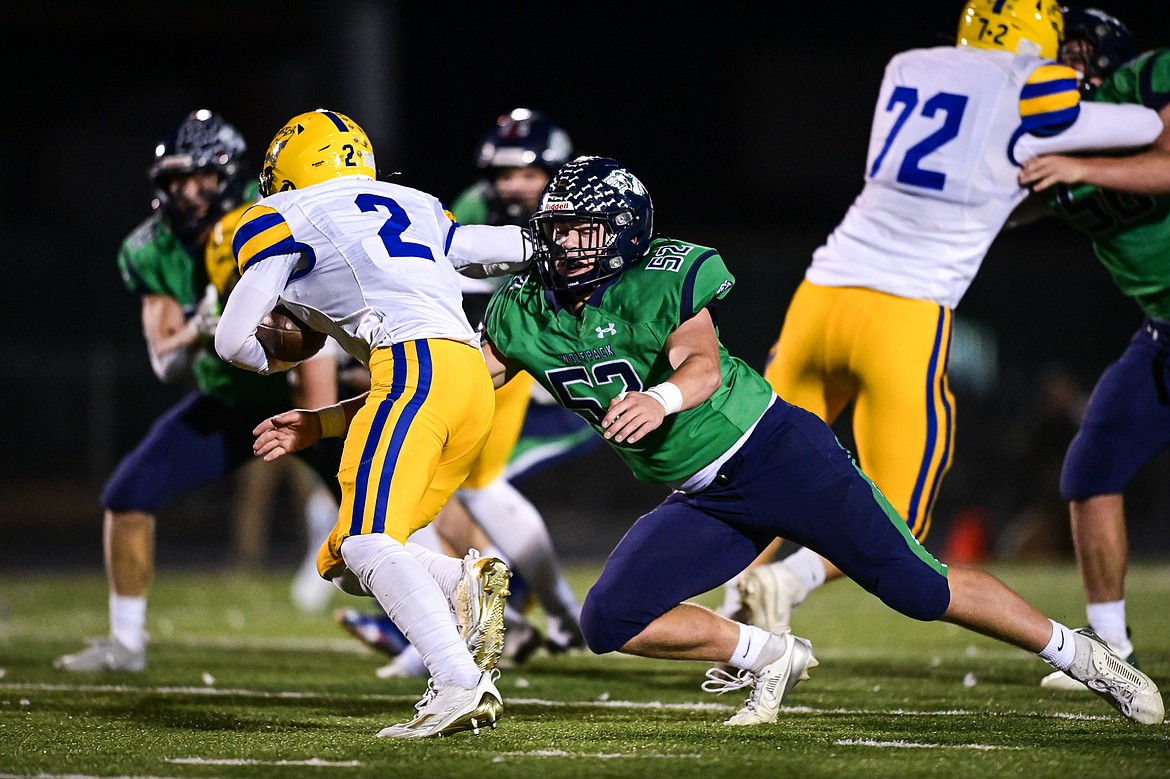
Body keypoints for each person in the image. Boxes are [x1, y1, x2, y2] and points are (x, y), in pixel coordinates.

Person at [253, 154, 1164, 727]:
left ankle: (1084, 654)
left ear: (625, 233)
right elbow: (439, 386)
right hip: (701, 495)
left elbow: (699, 359)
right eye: (557, 229)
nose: (564, 244)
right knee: (609, 622)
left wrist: (656, 397)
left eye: (580, 229)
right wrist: (320, 422)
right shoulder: (526, 308)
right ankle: (768, 654)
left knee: (918, 588)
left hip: (775, 452)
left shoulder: (662, 273)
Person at [723, 0, 1166, 634]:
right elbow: (1143, 128)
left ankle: (708, 615)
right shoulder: (1032, 87)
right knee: (897, 518)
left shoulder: (910, 65)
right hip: (901, 316)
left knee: (751, 467)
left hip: (820, 296)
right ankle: (787, 580)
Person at [215, 108, 534, 739]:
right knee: (354, 555)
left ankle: (460, 684)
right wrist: (553, 246)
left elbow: (231, 341)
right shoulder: (413, 201)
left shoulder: (282, 216)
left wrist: (275, 351)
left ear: (290, 171)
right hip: (469, 378)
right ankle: (464, 580)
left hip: (412, 368)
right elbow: (479, 247)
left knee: (366, 545)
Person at [53, 109, 345, 673]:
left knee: (387, 513)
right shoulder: (150, 248)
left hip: (300, 398)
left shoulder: (266, 224)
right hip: (229, 403)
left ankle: (444, 631)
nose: (189, 193)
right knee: (128, 494)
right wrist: (198, 326)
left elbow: (319, 330)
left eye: (201, 179)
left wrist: (321, 418)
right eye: (177, 181)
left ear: (229, 176)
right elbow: (165, 364)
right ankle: (127, 643)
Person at [335, 109, 589, 675]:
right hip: (463, 348)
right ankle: (532, 615)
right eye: (504, 174)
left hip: (519, 347)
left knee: (473, 484)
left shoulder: (570, 216)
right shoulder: (472, 207)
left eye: (528, 172)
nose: (514, 185)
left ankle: (519, 615)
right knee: (454, 487)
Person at [1015, 6, 1170, 690]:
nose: (1062, 63)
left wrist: (1076, 163)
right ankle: (1109, 646)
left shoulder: (1148, 79)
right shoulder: (1052, 127)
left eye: (1071, 49)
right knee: (1090, 465)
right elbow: (1017, 204)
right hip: (1161, 327)